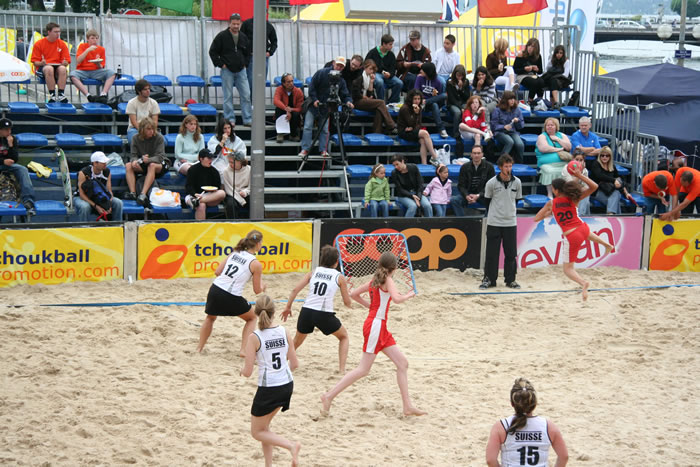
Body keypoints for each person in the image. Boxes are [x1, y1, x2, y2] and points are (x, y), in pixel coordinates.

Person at [321, 251, 426, 417]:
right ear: (394, 268)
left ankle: (407, 406)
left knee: (402, 364)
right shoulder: (388, 280)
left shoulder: (376, 280)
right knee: (363, 369)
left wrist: (370, 306)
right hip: (375, 326)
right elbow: (397, 299)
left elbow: (354, 294)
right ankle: (329, 396)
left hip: (378, 325)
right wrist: (408, 295)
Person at [240, 294, 301, 467]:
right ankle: (268, 464)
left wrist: (241, 371)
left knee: (257, 432)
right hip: (287, 384)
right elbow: (295, 363)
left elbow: (248, 372)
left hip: (269, 388)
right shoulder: (284, 331)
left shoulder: (255, 337)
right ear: (274, 312)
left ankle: (291, 446)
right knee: (264, 429)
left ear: (256, 312)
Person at [534, 172, 614, 300]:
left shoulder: (551, 203)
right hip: (582, 228)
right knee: (585, 233)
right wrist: (580, 175)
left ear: (556, 190)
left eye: (553, 189)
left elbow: (536, 218)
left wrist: (548, 213)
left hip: (572, 235)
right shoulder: (573, 198)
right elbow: (594, 186)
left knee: (568, 269)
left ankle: (583, 283)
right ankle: (606, 244)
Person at [281, 245, 353, 372]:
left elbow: (295, 290)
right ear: (336, 262)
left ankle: (280, 364)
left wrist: (288, 307)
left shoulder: (313, 272)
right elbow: (347, 303)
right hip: (323, 314)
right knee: (344, 337)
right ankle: (342, 370)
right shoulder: (339, 276)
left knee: (296, 341)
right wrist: (352, 300)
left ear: (322, 260)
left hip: (307, 311)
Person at [197, 229, 266, 354]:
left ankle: (199, 348)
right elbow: (257, 291)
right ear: (258, 244)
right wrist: (263, 287)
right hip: (230, 295)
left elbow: (217, 272)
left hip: (215, 289)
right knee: (252, 318)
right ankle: (244, 350)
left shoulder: (235, 253)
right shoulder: (256, 264)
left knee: (210, 317)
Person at [485, 378, 569, 467]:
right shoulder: (548, 426)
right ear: (535, 403)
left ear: (512, 403)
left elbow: (490, 460)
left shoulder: (501, 426)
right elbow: (564, 456)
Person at [298, 57, 354, 158]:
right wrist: (315, 99)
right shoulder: (321, 73)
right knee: (307, 127)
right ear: (333, 63)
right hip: (313, 105)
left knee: (324, 129)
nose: (339, 67)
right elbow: (312, 87)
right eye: (338, 65)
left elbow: (345, 94)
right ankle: (305, 149)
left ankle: (323, 149)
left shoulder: (341, 80)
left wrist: (349, 102)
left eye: (341, 66)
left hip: (327, 108)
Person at [481, 154, 522, 290]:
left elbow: (516, 200)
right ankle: (489, 279)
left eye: (510, 166)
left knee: (511, 253)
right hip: (494, 222)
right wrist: (496, 213)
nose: (508, 169)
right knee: (491, 253)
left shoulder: (517, 182)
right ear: (500, 167)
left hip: (510, 223)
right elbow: (487, 201)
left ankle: (510, 280)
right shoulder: (491, 183)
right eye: (506, 166)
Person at [209, 13, 252, 126]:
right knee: (227, 96)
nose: (236, 26)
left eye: (238, 24)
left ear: (240, 23)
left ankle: (247, 119)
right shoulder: (222, 36)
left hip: (241, 70)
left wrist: (245, 64)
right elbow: (213, 51)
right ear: (230, 23)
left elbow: (248, 53)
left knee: (246, 95)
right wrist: (220, 64)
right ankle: (229, 119)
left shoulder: (243, 37)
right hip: (227, 70)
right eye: (234, 24)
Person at [125, 117, 168, 206]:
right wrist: (134, 161)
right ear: (142, 129)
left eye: (152, 129)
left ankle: (143, 194)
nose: (151, 131)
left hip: (159, 164)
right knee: (128, 165)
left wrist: (148, 160)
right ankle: (133, 193)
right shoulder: (135, 138)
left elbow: (160, 157)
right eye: (148, 129)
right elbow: (133, 155)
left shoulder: (159, 137)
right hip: (144, 162)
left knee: (152, 165)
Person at [351, 59, 397, 135]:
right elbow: (355, 94)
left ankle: (377, 132)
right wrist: (364, 97)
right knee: (381, 102)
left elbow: (370, 94)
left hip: (365, 101)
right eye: (370, 69)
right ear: (365, 68)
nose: (371, 71)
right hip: (357, 102)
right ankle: (391, 125)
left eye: (373, 70)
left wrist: (371, 82)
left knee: (379, 109)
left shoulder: (369, 78)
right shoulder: (359, 77)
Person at [0, 118, 36, 215]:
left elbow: (15, 158)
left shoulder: (12, 139)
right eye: (6, 130)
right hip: (2, 163)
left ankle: (28, 200)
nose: (9, 132)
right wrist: (3, 161)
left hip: (8, 165)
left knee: (22, 169)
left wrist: (11, 145)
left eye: (10, 129)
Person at [69, 29, 116, 104]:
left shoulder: (101, 49)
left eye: (96, 38)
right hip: (83, 70)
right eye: (92, 38)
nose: (95, 40)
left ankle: (103, 94)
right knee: (73, 74)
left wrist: (98, 63)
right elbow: (78, 61)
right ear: (87, 39)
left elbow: (101, 67)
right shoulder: (82, 46)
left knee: (112, 73)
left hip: (96, 71)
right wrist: (87, 50)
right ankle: (88, 96)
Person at [74, 151, 123, 221]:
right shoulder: (83, 173)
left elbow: (109, 191)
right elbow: (82, 195)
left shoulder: (107, 172)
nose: (105, 164)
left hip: (100, 197)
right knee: (85, 207)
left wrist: (108, 204)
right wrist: (96, 206)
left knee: (118, 203)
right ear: (95, 163)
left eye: (105, 161)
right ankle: (83, 226)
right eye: (102, 162)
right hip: (82, 197)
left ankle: (117, 224)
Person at [30, 22, 70, 103]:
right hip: (43, 68)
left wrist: (65, 62)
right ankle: (52, 95)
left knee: (62, 69)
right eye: (55, 32)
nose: (58, 34)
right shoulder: (39, 44)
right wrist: (41, 63)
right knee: (49, 68)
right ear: (49, 32)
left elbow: (67, 61)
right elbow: (35, 62)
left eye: (59, 32)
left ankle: (61, 94)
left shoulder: (62, 44)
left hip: (57, 67)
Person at [397, 89, 439, 165]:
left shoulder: (418, 107)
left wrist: (414, 126)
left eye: (419, 99)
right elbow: (410, 123)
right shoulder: (405, 108)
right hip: (404, 132)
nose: (417, 101)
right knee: (425, 133)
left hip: (413, 130)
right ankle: (434, 156)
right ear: (411, 99)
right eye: (415, 99)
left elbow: (418, 123)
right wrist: (416, 114)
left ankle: (424, 163)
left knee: (423, 140)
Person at [451, 145, 495, 216]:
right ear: (471, 154)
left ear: (482, 154)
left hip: (482, 195)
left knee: (493, 201)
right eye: (474, 153)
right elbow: (461, 186)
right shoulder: (464, 167)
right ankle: (462, 221)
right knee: (454, 200)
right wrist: (466, 195)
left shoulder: (489, 167)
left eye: (478, 153)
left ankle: (486, 221)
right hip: (468, 194)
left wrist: (478, 195)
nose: (476, 155)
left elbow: (490, 186)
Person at [184, 148, 226, 220]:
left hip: (209, 196)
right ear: (201, 159)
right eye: (208, 158)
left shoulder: (214, 171)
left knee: (222, 193)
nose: (211, 160)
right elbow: (188, 186)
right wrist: (194, 194)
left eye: (211, 158)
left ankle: (197, 201)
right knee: (201, 206)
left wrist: (213, 190)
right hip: (193, 195)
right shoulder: (192, 169)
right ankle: (200, 226)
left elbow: (217, 186)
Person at [536, 117, 572, 198]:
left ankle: (565, 193)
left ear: (556, 126)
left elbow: (568, 147)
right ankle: (550, 194)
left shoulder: (562, 135)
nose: (549, 127)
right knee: (550, 171)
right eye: (548, 125)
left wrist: (558, 140)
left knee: (569, 170)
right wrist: (559, 149)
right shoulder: (542, 136)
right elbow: (544, 148)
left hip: (563, 163)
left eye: (552, 125)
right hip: (546, 164)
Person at [241, 16, 277, 95]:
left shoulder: (269, 26)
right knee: (250, 81)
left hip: (263, 58)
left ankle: (259, 100)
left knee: (261, 81)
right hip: (250, 57)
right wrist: (246, 52)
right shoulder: (246, 24)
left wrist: (270, 52)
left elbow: (274, 42)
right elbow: (241, 39)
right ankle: (251, 101)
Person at [365, 34, 402, 103]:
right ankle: (381, 102)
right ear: (384, 44)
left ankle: (392, 102)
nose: (392, 46)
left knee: (399, 83)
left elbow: (393, 68)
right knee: (380, 82)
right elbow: (367, 64)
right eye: (390, 44)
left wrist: (390, 74)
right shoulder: (372, 52)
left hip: (387, 75)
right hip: (375, 73)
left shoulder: (391, 55)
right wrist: (382, 72)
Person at [414, 62, 447, 139]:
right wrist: (421, 99)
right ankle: (441, 128)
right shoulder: (419, 78)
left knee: (442, 97)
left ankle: (441, 129)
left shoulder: (437, 82)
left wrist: (432, 97)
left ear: (427, 72)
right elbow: (416, 91)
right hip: (420, 102)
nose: (420, 71)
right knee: (434, 104)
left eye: (422, 70)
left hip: (429, 103)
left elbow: (438, 97)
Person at [491, 91, 525, 164]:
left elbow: (521, 126)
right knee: (509, 142)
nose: (513, 101)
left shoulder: (517, 109)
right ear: (505, 100)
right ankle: (500, 162)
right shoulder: (497, 110)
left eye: (514, 99)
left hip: (512, 132)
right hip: (500, 132)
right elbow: (493, 125)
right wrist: (503, 127)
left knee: (520, 144)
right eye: (510, 99)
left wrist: (518, 121)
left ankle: (520, 163)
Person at [588, 146, 623, 215]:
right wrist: (613, 180)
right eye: (602, 155)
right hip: (597, 191)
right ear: (599, 156)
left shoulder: (612, 166)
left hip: (609, 191)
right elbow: (600, 175)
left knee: (616, 195)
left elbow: (619, 178)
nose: (604, 157)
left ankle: (610, 214)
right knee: (615, 201)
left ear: (610, 157)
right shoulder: (596, 164)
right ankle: (615, 217)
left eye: (607, 156)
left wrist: (626, 192)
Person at [125, 79, 160, 143]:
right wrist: (144, 132)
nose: (148, 91)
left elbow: (155, 122)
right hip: (135, 129)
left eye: (149, 89)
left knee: (162, 141)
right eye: (145, 89)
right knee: (135, 140)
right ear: (139, 91)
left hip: (150, 128)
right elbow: (134, 122)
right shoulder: (131, 103)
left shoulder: (154, 103)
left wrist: (150, 131)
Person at [273, 73, 304, 143]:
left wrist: (291, 110)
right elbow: (276, 101)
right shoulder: (279, 89)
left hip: (293, 112)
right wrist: (286, 109)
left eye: (292, 81)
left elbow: (300, 108)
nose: (291, 83)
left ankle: (293, 135)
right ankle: (280, 133)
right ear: (283, 83)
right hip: (284, 110)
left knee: (296, 114)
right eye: (288, 82)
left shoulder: (298, 91)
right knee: (278, 109)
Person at [513, 38, 545, 105]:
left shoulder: (538, 56)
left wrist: (537, 69)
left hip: (533, 75)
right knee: (534, 82)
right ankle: (530, 101)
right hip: (522, 76)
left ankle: (540, 100)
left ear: (536, 48)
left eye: (532, 46)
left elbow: (540, 71)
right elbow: (515, 70)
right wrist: (524, 69)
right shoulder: (521, 54)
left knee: (541, 81)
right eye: (529, 45)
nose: (530, 48)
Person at [560, 148, 590, 216]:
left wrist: (581, 171)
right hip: (567, 191)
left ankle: (581, 215)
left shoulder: (585, 170)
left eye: (581, 160)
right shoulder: (566, 169)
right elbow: (572, 185)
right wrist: (578, 174)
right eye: (577, 160)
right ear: (573, 159)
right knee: (584, 200)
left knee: (586, 194)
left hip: (579, 191)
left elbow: (586, 186)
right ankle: (580, 215)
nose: (578, 162)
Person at [445, 64, 470, 146]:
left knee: (467, 110)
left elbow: (467, 97)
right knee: (457, 112)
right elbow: (451, 98)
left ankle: (467, 131)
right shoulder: (450, 82)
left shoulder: (466, 82)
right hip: (452, 103)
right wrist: (460, 107)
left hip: (463, 102)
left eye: (461, 76)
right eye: (458, 75)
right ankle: (456, 133)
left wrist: (461, 89)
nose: (459, 77)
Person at [222, 150, 250, 219]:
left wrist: (245, 192)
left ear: (240, 161)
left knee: (256, 203)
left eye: (232, 162)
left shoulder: (249, 169)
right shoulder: (226, 171)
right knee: (231, 205)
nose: (230, 164)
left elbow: (251, 186)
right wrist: (241, 201)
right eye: (229, 162)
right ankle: (233, 224)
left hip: (245, 193)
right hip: (232, 194)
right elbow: (228, 189)